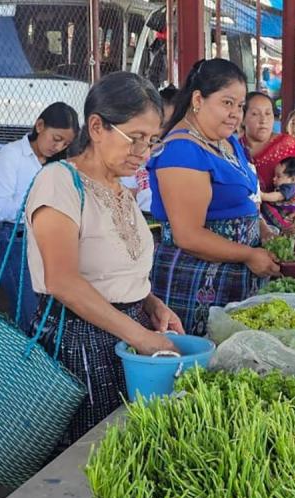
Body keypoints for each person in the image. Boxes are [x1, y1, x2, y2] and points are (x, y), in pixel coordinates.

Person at [24, 72, 182, 447]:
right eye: (135, 138)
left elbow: (117, 271)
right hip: (77, 340)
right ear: (96, 127)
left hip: (126, 333)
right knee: (90, 454)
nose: (143, 152)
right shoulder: (59, 182)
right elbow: (62, 281)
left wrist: (151, 305)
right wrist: (139, 335)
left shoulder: (122, 191)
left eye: (152, 141)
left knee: (130, 446)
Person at [148, 59, 280, 336]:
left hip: (236, 277)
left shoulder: (227, 141)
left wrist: (263, 230)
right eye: (227, 103)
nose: (236, 114)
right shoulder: (182, 151)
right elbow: (187, 235)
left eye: (240, 105)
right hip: (198, 284)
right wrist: (248, 254)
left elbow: (246, 197)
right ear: (198, 99)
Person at [0, 102, 79, 329]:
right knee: (29, 317)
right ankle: (24, 364)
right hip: (17, 242)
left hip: (50, 243)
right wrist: (41, 211)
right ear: (39, 126)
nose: (58, 146)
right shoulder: (12, 155)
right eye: (56, 138)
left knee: (51, 315)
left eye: (66, 143)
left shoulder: (60, 164)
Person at [240, 91, 295, 233]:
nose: (263, 120)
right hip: (249, 224)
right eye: (255, 114)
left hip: (288, 221)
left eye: (268, 113)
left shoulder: (287, 144)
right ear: (242, 118)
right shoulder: (234, 148)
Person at [121, 85, 178, 214]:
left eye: (174, 125)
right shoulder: (137, 154)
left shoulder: (183, 155)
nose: (167, 131)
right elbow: (128, 195)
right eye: (162, 125)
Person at [260, 156, 295, 230]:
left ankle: (282, 228)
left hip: (285, 217)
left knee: (265, 207)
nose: (274, 179)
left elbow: (278, 196)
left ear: (293, 179)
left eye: (278, 176)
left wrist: (262, 195)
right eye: (274, 175)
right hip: (286, 214)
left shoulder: (290, 188)